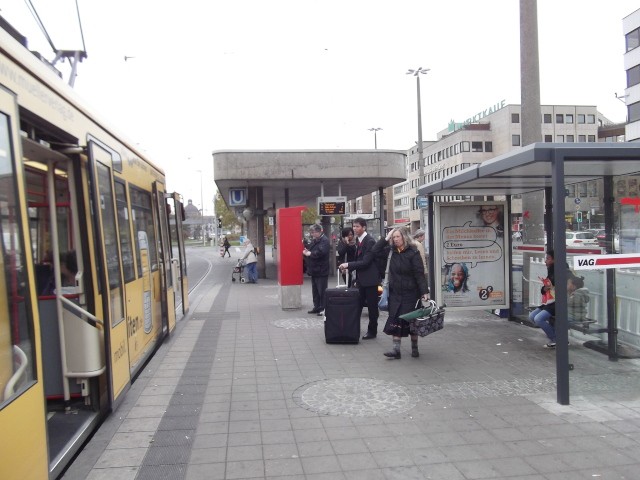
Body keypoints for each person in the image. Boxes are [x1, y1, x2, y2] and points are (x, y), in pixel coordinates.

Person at [371, 227, 429, 359]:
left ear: (404, 237)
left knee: (412, 322)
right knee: (395, 320)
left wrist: (424, 291)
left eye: (398, 236)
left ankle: (414, 348)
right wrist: (386, 237)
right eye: (393, 237)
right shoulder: (391, 252)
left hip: (411, 294)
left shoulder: (413, 253)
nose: (395, 239)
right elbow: (375, 250)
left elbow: (419, 274)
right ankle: (396, 350)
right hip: (396, 293)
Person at [338, 217, 381, 339]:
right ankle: (353, 328)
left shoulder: (369, 241)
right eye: (354, 226)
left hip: (370, 281)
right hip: (361, 280)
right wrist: (349, 269)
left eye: (357, 226)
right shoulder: (360, 240)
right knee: (358, 305)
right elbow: (358, 260)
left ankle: (372, 331)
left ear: (364, 227)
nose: (355, 229)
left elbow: (366, 261)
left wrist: (348, 265)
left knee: (372, 308)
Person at [529, 250, 557, 348]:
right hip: (549, 302)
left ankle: (555, 339)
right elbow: (545, 289)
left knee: (538, 318)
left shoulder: (561, 270)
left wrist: (551, 286)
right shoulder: (551, 270)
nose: (545, 261)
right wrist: (545, 287)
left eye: (548, 259)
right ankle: (559, 338)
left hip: (556, 303)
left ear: (554, 260)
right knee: (532, 316)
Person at [303, 224, 330, 315]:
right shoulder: (316, 240)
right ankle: (317, 306)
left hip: (321, 270)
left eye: (313, 232)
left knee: (322, 290)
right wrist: (307, 250)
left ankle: (323, 308)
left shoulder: (324, 241)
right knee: (315, 291)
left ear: (319, 231)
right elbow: (311, 248)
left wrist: (310, 254)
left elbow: (321, 252)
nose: (312, 234)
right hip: (314, 270)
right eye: (311, 232)